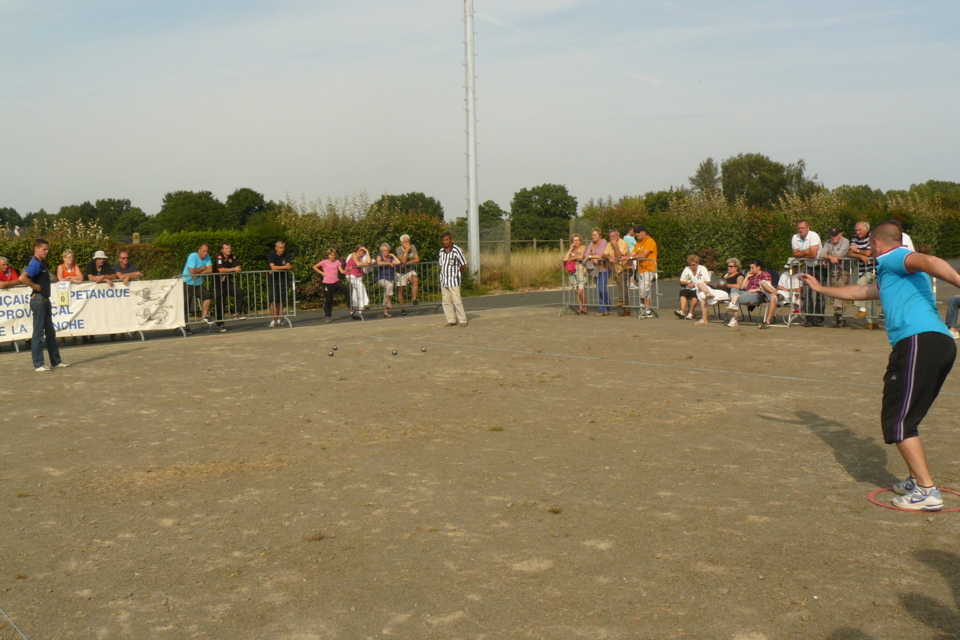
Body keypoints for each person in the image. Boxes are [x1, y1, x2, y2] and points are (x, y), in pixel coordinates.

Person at [799, 220, 960, 511]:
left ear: (875, 244)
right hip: (936, 344)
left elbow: (929, 260)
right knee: (907, 415)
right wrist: (821, 288)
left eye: (868, 245)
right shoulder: (892, 274)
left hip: (918, 342)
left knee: (898, 420)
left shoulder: (894, 257)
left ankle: (926, 490)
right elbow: (859, 293)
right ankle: (916, 479)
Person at [19, 239, 68, 371]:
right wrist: (35, 286)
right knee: (38, 333)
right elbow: (22, 277)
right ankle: (38, 364)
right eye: (44, 249)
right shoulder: (35, 263)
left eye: (47, 249)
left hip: (45, 299)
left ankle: (56, 361)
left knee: (50, 332)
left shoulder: (42, 263)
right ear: (36, 249)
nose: (47, 251)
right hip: (39, 300)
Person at [792, 220, 824, 323]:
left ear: (808, 228)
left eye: (803, 228)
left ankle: (819, 318)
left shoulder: (813, 236)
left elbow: (813, 254)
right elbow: (795, 254)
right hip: (808, 267)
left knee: (820, 293)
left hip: (819, 267)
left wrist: (803, 254)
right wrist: (807, 252)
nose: (801, 230)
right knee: (807, 293)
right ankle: (809, 317)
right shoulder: (795, 237)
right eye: (799, 228)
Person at [733, 259, 778, 329]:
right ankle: (733, 308)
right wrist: (747, 277)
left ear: (758, 267)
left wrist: (755, 290)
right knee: (733, 290)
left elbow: (768, 287)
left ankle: (734, 317)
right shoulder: (751, 275)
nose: (751, 270)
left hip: (758, 294)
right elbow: (742, 287)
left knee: (734, 298)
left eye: (752, 268)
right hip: (747, 293)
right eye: (750, 268)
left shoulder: (765, 274)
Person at [819, 226, 850, 327]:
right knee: (834, 293)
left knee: (840, 292)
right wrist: (829, 257)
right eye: (832, 235)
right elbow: (822, 253)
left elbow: (840, 254)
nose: (833, 237)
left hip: (843, 270)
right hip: (833, 270)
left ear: (840, 235)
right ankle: (838, 317)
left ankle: (840, 316)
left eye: (835, 235)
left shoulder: (845, 241)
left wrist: (830, 257)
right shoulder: (828, 242)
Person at [212, 243, 246, 333]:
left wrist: (232, 270)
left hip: (227, 281)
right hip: (218, 283)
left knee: (239, 292)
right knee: (220, 303)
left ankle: (238, 312)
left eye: (230, 248)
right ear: (222, 250)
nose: (229, 250)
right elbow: (221, 270)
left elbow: (238, 268)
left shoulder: (232, 257)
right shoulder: (219, 257)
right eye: (226, 248)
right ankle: (221, 324)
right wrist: (232, 270)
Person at [182, 243, 213, 336]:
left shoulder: (207, 257)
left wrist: (198, 273)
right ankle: (186, 327)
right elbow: (192, 271)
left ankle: (205, 316)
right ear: (199, 251)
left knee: (207, 295)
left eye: (207, 251)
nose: (206, 253)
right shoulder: (193, 256)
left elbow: (210, 270)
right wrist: (204, 268)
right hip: (187, 283)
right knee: (186, 305)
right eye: (204, 251)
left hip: (198, 284)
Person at [438, 232, 468, 326]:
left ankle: (462, 320)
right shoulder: (441, 251)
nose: (445, 242)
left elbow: (463, 264)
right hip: (444, 279)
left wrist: (457, 273)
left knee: (457, 300)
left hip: (453, 280)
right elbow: (441, 264)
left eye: (447, 240)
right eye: (443, 240)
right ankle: (451, 320)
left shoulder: (457, 250)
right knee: (446, 301)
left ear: (451, 240)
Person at [312, 249, 350, 323]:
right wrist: (322, 273)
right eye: (331, 255)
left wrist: (348, 269)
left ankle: (349, 306)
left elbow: (342, 271)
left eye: (333, 255)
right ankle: (328, 315)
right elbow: (315, 267)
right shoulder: (324, 262)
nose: (332, 257)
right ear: (328, 256)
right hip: (327, 282)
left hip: (335, 281)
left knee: (346, 289)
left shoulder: (337, 262)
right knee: (329, 299)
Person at [848, 221, 875, 319]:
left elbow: (868, 253)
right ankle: (872, 321)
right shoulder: (855, 238)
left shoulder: (872, 237)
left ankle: (861, 309)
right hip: (861, 269)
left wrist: (857, 250)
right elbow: (849, 253)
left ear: (866, 229)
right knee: (869, 294)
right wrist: (859, 255)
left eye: (859, 230)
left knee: (860, 285)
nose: (857, 232)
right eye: (856, 230)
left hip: (872, 269)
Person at [630, 226, 658, 317]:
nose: (636, 234)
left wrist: (630, 257)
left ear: (644, 232)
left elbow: (644, 254)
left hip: (649, 269)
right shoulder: (639, 242)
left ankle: (643, 306)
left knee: (643, 289)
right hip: (641, 269)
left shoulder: (650, 241)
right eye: (636, 232)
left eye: (638, 232)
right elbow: (633, 253)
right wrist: (624, 256)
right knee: (645, 290)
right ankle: (647, 309)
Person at [604, 229, 631, 316]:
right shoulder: (609, 244)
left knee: (621, 279)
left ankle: (621, 300)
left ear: (618, 236)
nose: (612, 238)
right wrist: (608, 257)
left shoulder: (623, 243)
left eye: (614, 236)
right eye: (610, 237)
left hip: (626, 267)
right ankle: (626, 310)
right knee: (622, 285)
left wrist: (615, 246)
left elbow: (619, 255)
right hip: (617, 269)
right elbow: (604, 254)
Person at [583, 228, 609, 315]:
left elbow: (601, 255)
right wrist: (592, 256)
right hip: (596, 270)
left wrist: (591, 256)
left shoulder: (603, 242)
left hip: (604, 268)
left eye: (595, 235)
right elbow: (586, 254)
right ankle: (604, 308)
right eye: (592, 235)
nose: (593, 236)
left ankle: (605, 307)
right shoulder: (591, 243)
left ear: (599, 235)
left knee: (602, 289)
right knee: (599, 289)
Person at [267, 240, 293, 327]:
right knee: (273, 301)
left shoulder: (286, 254)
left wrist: (282, 268)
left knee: (282, 301)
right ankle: (273, 320)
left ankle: (279, 319)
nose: (282, 249)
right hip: (274, 280)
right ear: (276, 248)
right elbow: (273, 267)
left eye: (283, 248)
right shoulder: (272, 255)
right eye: (280, 248)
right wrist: (284, 267)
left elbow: (289, 266)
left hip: (283, 279)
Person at [344, 245, 373, 319]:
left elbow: (369, 261)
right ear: (357, 250)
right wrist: (367, 264)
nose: (362, 252)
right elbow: (358, 264)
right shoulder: (353, 255)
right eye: (360, 250)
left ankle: (356, 311)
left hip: (358, 275)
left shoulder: (362, 258)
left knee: (356, 292)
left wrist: (367, 251)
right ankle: (364, 304)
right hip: (351, 275)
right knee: (361, 286)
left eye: (363, 251)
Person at [562, 234, 587, 315]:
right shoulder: (572, 250)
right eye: (574, 240)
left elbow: (581, 256)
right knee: (576, 290)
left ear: (580, 241)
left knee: (581, 291)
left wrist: (572, 258)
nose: (576, 242)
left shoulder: (582, 247)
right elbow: (565, 259)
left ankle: (585, 306)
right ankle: (580, 307)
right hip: (573, 270)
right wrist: (570, 249)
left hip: (580, 269)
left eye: (577, 240)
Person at [676, 255, 707, 320]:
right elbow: (681, 281)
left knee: (695, 293)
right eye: (690, 265)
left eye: (693, 265)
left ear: (697, 263)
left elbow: (708, 281)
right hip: (688, 288)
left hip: (698, 289)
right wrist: (688, 283)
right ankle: (682, 312)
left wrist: (696, 284)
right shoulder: (686, 269)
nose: (692, 267)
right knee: (683, 292)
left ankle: (691, 312)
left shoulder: (703, 268)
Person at [394, 235, 420, 309]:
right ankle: (403, 308)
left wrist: (408, 263)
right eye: (405, 242)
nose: (406, 243)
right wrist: (406, 251)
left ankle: (414, 299)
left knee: (415, 280)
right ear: (401, 242)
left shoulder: (413, 247)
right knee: (401, 290)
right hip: (400, 272)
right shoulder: (399, 249)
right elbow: (402, 260)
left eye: (408, 241)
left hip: (409, 270)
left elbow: (417, 259)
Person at [375, 243, 399, 317]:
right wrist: (389, 263)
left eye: (387, 250)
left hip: (390, 276)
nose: (386, 251)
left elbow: (398, 262)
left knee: (387, 293)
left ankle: (386, 312)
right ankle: (388, 302)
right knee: (389, 286)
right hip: (381, 277)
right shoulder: (379, 255)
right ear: (381, 251)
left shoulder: (391, 257)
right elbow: (379, 262)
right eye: (384, 250)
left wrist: (393, 256)